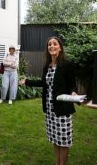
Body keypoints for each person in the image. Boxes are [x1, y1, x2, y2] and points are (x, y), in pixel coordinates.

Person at [20, 36, 77, 165]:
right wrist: (27, 81)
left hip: (62, 108)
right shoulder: (47, 66)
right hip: (50, 108)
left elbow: (72, 84)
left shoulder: (67, 64)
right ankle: (57, 163)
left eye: (54, 44)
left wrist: (73, 92)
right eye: (49, 44)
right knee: (55, 139)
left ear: (60, 48)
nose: (51, 46)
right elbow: (43, 83)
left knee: (64, 140)